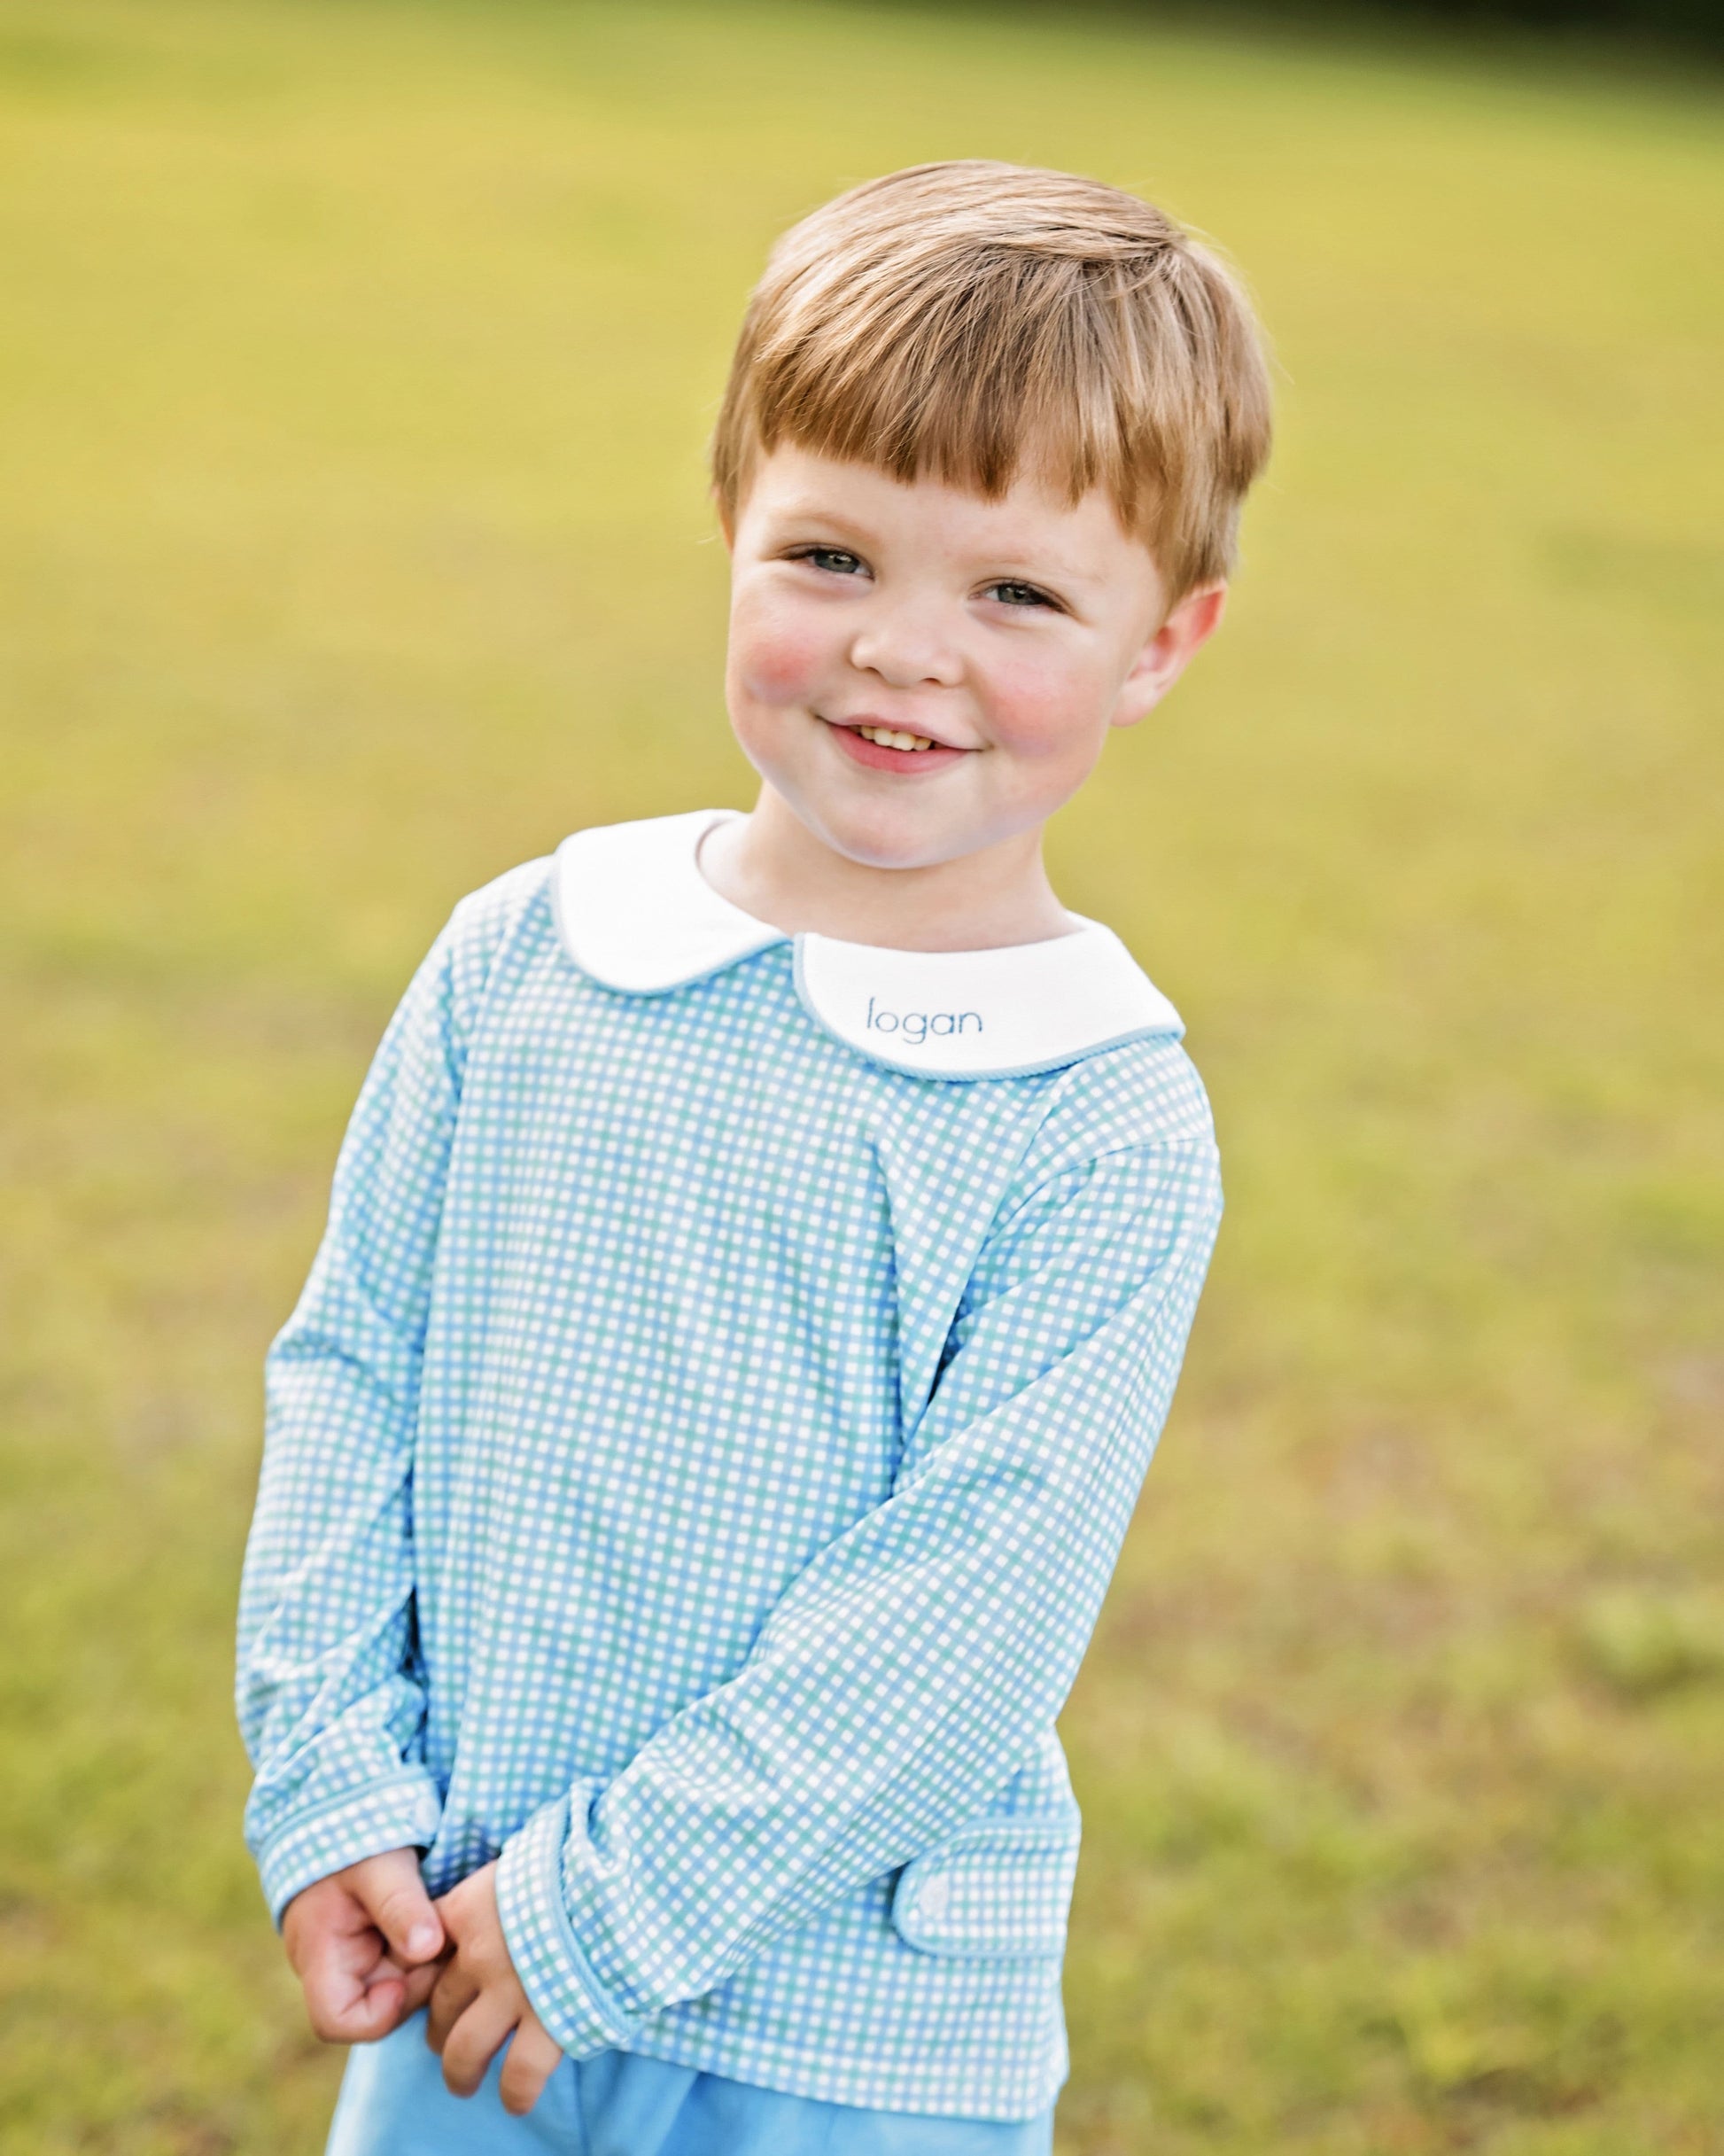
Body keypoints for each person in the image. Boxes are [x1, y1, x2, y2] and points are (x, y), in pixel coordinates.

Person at [236, 159, 1272, 2155]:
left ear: (1163, 639)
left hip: (847, 2036)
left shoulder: (1100, 1112)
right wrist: (335, 1778)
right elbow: (352, 1365)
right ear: (728, 519)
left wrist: (596, 1911)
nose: (905, 649)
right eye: (829, 555)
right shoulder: (526, 954)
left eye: (1019, 593)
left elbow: (957, 1623)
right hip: (464, 1951)